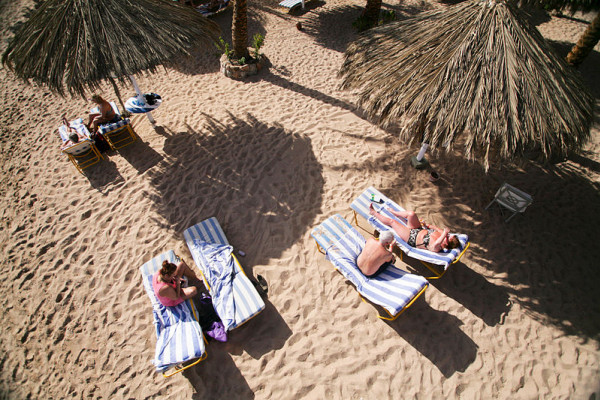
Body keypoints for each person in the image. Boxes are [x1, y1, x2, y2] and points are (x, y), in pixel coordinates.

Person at [369, 204, 460, 253]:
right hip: (419, 229)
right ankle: (395, 212)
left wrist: (444, 234)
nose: (447, 235)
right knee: (411, 214)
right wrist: (425, 225)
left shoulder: (438, 247)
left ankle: (373, 213)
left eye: (448, 237)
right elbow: (433, 227)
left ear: (447, 243)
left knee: (392, 222)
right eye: (448, 235)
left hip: (411, 237)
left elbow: (436, 243)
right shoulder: (442, 235)